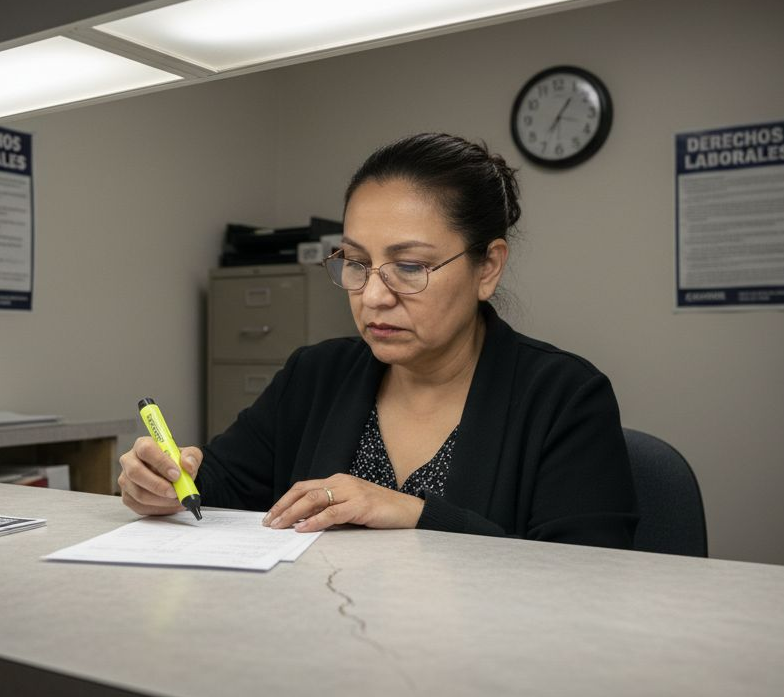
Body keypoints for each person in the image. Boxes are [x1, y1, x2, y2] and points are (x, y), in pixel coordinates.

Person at [119, 132, 636, 548]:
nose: (372, 297)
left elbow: (584, 579)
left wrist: (417, 514)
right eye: (357, 263)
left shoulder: (565, 397)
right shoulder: (316, 375)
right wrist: (163, 482)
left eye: (409, 267)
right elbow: (221, 485)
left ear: (488, 267)